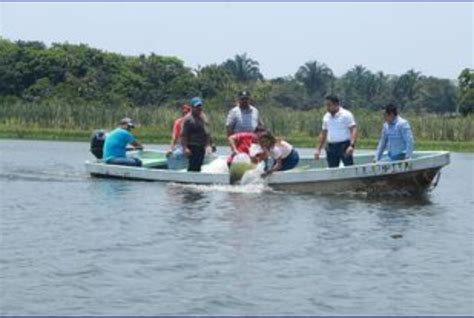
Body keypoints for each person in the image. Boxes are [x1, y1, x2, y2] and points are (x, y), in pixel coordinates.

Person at [314, 95, 357, 168]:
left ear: (336, 104)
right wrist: (318, 149)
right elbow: (323, 133)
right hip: (331, 147)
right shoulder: (326, 117)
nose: (327, 108)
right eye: (326, 105)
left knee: (349, 167)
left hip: (344, 146)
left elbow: (353, 130)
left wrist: (352, 145)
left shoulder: (346, 115)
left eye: (329, 105)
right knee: (332, 169)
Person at [181, 97, 212, 172]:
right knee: (192, 167)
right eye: (197, 107)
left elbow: (207, 132)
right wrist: (185, 148)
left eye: (200, 106)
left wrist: (210, 144)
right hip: (192, 147)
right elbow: (183, 135)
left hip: (201, 146)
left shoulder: (203, 117)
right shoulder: (188, 119)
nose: (199, 108)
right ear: (192, 107)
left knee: (199, 167)